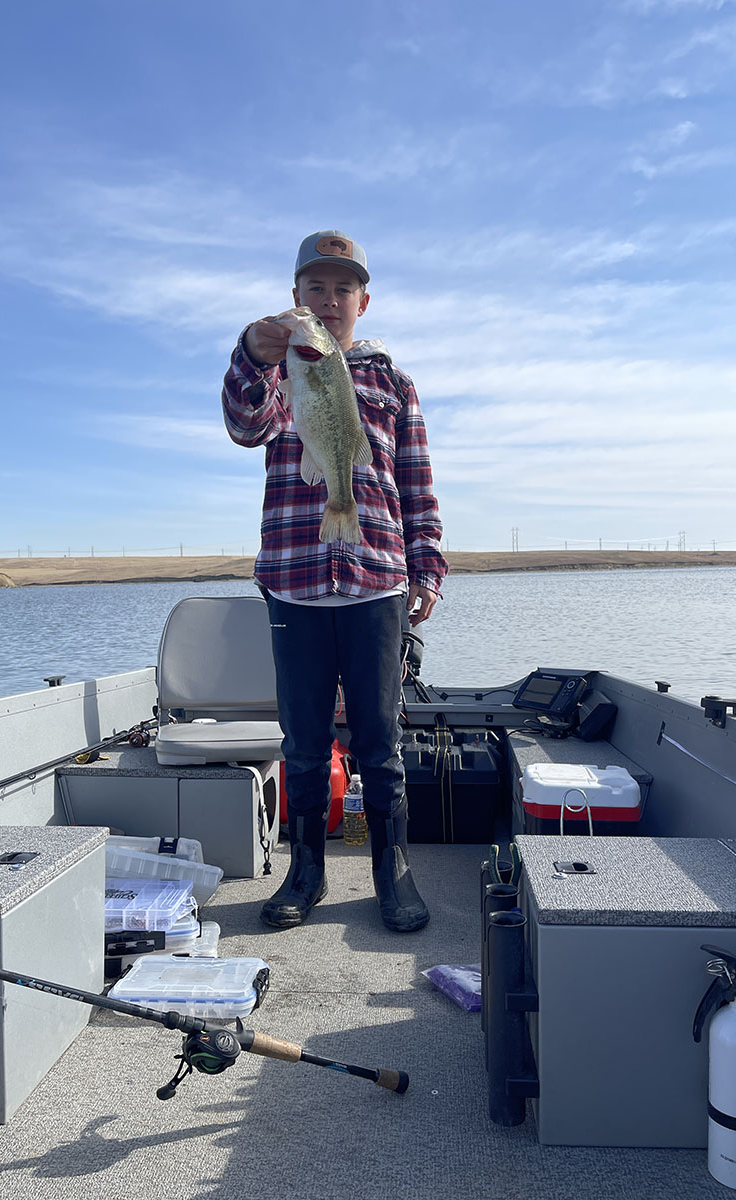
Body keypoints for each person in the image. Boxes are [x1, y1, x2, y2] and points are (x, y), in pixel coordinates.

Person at [222, 229, 448, 932]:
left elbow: (416, 484)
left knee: (381, 741)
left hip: (378, 579)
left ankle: (393, 871)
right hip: (294, 578)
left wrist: (429, 565)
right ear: (296, 299)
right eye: (315, 288)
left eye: (342, 288)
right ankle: (307, 871)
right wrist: (249, 359)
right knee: (304, 741)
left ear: (363, 300)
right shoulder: (284, 364)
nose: (329, 299)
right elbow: (245, 425)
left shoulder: (394, 383)